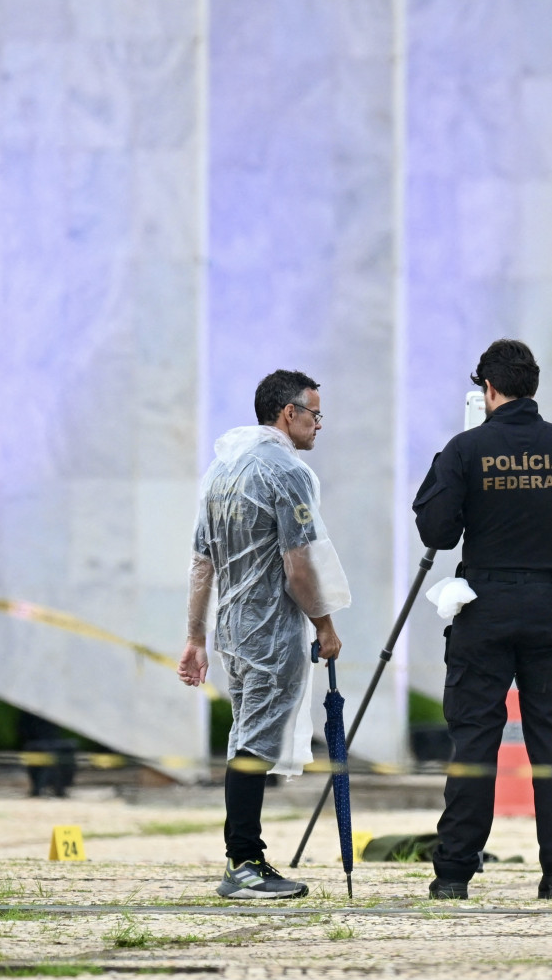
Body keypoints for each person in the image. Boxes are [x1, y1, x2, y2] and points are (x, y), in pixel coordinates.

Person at [413, 339, 552, 902]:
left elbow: (437, 532)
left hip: (486, 606)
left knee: (475, 737)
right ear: (532, 386)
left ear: (489, 389)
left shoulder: (466, 449)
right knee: (550, 736)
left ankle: (453, 872)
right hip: (550, 606)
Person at [178, 369, 351, 900]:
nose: (320, 424)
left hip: (233, 627)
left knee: (243, 736)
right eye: (315, 413)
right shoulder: (285, 473)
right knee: (253, 741)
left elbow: (202, 563)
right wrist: (324, 624)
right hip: (270, 627)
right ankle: (244, 862)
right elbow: (300, 566)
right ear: (288, 414)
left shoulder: (222, 470)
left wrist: (197, 637)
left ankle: (246, 857)